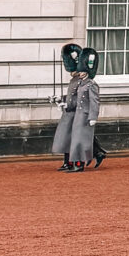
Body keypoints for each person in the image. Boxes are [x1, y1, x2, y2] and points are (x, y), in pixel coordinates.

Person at [52, 41, 86, 173]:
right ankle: (67, 162)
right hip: (69, 113)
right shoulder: (74, 80)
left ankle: (76, 162)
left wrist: (67, 104)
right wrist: (60, 99)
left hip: (76, 114)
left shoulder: (83, 81)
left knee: (75, 140)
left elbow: (82, 100)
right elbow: (71, 96)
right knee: (65, 139)